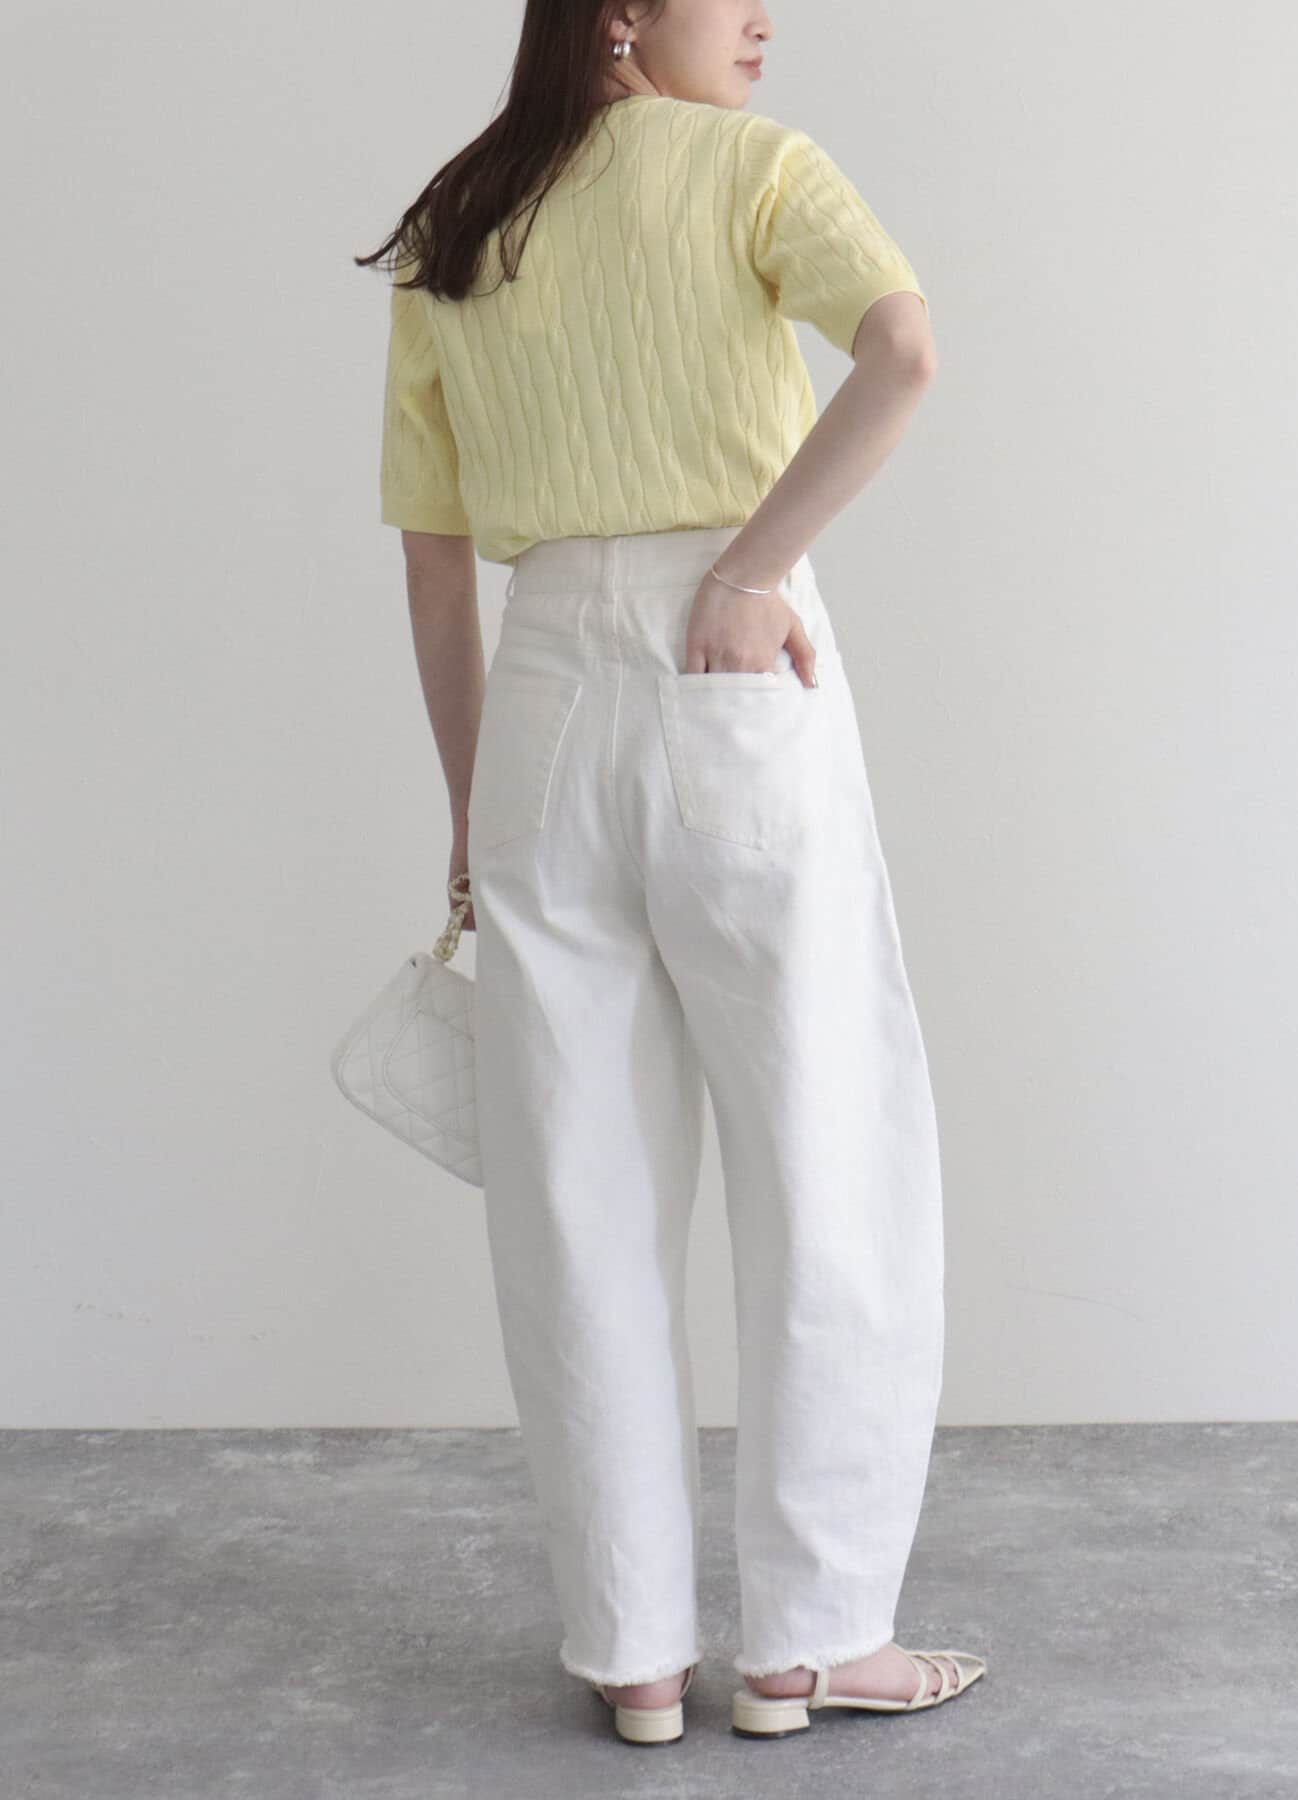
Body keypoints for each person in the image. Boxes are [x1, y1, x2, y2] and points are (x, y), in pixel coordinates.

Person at [358, 0, 985, 1747]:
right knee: (827, 1152)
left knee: (579, 1193)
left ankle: (632, 1651)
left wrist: (471, 806)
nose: (765, 15)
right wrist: (749, 571)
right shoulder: (751, 169)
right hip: (740, 681)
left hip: (542, 700)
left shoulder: (456, 220)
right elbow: (905, 351)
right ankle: (813, 1638)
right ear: (621, 11)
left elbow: (434, 559)